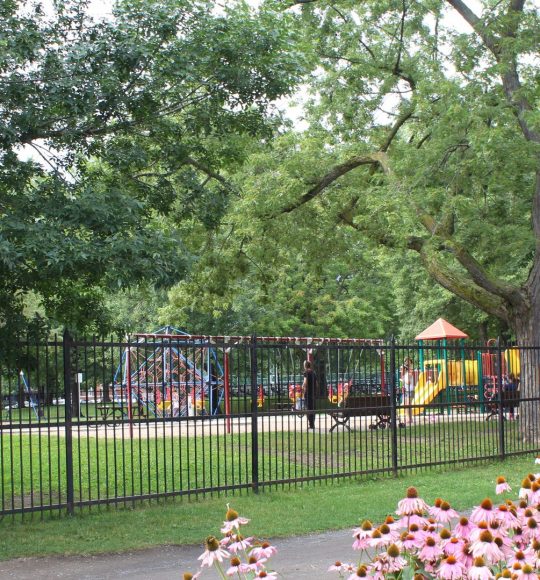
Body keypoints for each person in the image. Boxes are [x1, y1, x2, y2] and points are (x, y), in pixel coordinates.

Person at [302, 360, 317, 429]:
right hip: (313, 393)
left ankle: (310, 424)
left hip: (308, 393)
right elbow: (316, 384)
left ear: (305, 365)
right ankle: (312, 423)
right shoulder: (313, 373)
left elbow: (305, 382)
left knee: (308, 408)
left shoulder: (306, 372)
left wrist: (302, 386)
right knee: (313, 408)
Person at [401, 358, 415, 425]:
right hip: (406, 390)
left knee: (408, 405)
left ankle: (409, 419)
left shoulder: (410, 371)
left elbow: (408, 382)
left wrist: (405, 380)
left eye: (408, 361)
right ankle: (409, 418)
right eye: (406, 361)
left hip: (410, 390)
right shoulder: (405, 373)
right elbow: (403, 380)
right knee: (406, 405)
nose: (407, 363)